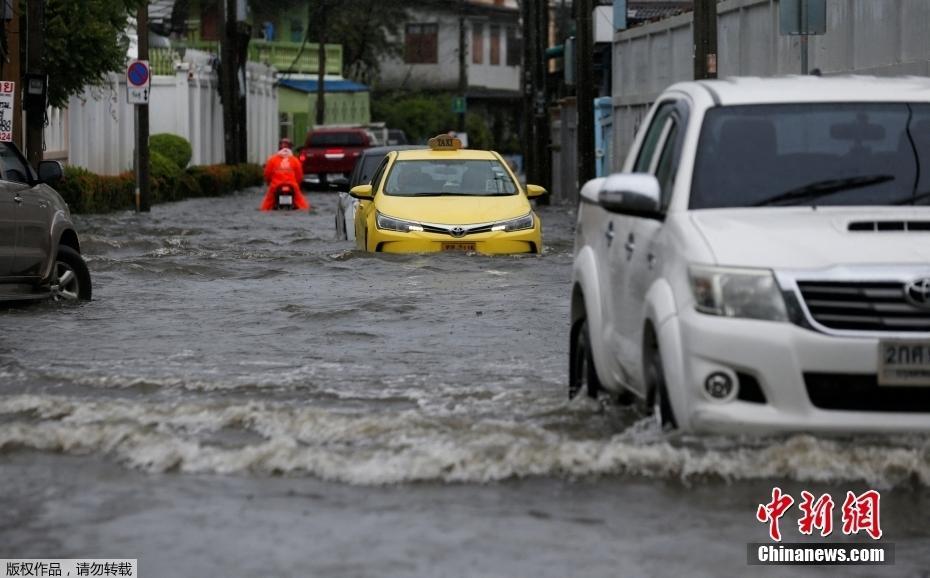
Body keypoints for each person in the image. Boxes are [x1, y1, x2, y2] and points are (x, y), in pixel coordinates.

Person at [260, 138, 310, 211]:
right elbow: (299, 177)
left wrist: (269, 184)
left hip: (275, 186)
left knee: (265, 207)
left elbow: (267, 175)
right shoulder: (295, 160)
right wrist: (297, 185)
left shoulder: (272, 159)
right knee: (304, 207)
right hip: (292, 186)